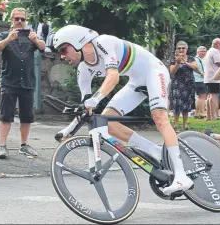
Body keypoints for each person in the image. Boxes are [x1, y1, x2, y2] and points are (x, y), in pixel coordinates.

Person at [53, 25, 194, 195]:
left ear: (78, 42)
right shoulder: (83, 70)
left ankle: (181, 175)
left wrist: (95, 99)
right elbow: (86, 108)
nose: (61, 56)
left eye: (63, 49)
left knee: (159, 117)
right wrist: (68, 130)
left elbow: (113, 77)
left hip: (153, 71)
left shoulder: (103, 42)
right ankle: (155, 151)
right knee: (107, 123)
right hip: (136, 81)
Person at [0, 8, 45, 159]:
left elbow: (42, 47)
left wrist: (35, 40)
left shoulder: (31, 36)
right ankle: (2, 146)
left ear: (25, 20)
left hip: (27, 82)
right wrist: (8, 39)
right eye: (17, 19)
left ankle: (24, 145)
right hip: (9, 81)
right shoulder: (4, 35)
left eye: (22, 19)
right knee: (6, 115)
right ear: (12, 20)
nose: (20, 22)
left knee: (27, 116)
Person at [169, 41, 198, 132]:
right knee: (177, 105)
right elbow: (172, 71)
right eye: (179, 48)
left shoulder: (191, 58)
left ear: (186, 49)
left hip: (188, 84)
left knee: (186, 105)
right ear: (177, 49)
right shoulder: (174, 59)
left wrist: (185, 62)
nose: (181, 50)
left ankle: (185, 124)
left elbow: (196, 68)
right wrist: (178, 63)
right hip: (177, 85)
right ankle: (175, 124)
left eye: (183, 48)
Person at [203, 38, 220, 121]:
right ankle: (214, 116)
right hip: (214, 77)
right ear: (218, 44)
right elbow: (219, 63)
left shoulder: (209, 51)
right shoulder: (215, 51)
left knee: (209, 96)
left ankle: (208, 116)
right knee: (214, 96)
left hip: (208, 78)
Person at [193, 46, 207, 119]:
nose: (203, 53)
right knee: (202, 97)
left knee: (199, 97)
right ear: (197, 52)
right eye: (201, 51)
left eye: (204, 51)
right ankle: (201, 113)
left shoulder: (199, 59)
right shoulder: (196, 60)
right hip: (199, 80)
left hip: (198, 80)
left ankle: (197, 113)